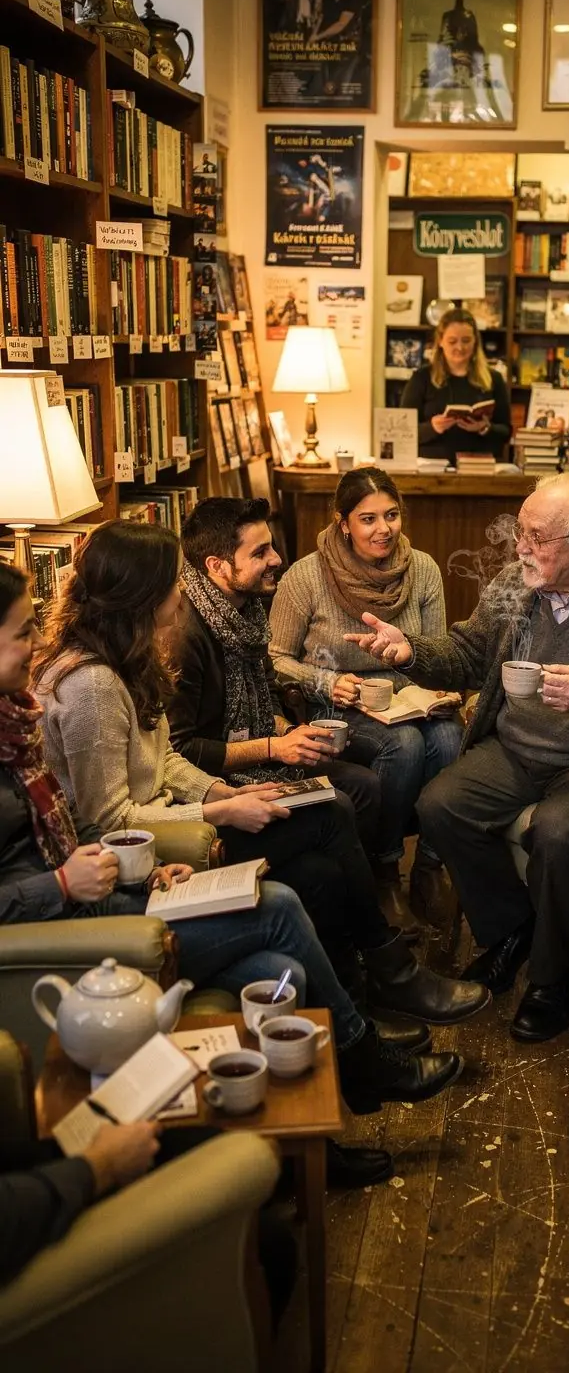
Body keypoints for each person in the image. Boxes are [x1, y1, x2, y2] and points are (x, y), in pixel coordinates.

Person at [0, 561, 466, 1163]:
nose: (37, 643)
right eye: (20, 633)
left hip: (115, 882)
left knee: (283, 961)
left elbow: (103, 808)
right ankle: (364, 1049)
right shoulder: (86, 687)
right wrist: (65, 882)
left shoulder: (23, 719)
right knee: (284, 900)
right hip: (74, 928)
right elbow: (106, 816)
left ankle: (316, 1142)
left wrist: (201, 815)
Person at [32, 523, 488, 1032]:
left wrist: (222, 791)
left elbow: (164, 762)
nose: (180, 591)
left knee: (323, 863)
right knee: (333, 814)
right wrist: (219, 809)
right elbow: (109, 822)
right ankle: (387, 983)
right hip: (163, 846)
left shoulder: (128, 659)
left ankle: (363, 1001)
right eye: (171, 581)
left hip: (186, 815)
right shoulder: (92, 685)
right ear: (140, 595)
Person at [345, 475, 569, 1044]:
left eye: (536, 537)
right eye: (520, 532)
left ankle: (553, 979)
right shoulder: (517, 582)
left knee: (559, 832)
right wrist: (410, 651)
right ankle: (516, 929)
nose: (520, 548)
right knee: (441, 805)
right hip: (516, 748)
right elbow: (467, 652)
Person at [268, 468, 461, 931]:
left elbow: (435, 652)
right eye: (368, 519)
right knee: (407, 745)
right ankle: (386, 870)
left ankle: (430, 866)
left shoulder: (424, 570)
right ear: (343, 523)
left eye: (392, 516)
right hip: (338, 704)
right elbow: (273, 658)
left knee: (451, 736)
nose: (384, 529)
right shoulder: (307, 576)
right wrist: (323, 681)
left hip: (406, 697)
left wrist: (436, 685)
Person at [167, 496, 382, 856]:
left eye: (271, 547)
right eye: (260, 552)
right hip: (217, 781)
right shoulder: (184, 634)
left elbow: (267, 697)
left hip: (259, 753)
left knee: (367, 780)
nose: (276, 560)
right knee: (341, 803)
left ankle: (360, 881)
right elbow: (182, 751)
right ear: (217, 565)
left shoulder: (248, 609)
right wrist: (275, 747)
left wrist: (292, 733)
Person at [0, 1120, 298, 1326]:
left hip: (24, 1179)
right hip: (30, 1226)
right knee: (269, 1244)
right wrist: (103, 1164)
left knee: (206, 1142)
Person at [400, 307, 511, 465]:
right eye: (452, 341)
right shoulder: (421, 379)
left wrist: (485, 427)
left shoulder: (494, 379)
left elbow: (506, 432)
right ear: (440, 341)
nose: (459, 347)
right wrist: (432, 427)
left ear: (475, 341)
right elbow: (402, 432)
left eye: (466, 341)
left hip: (479, 467)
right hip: (431, 468)